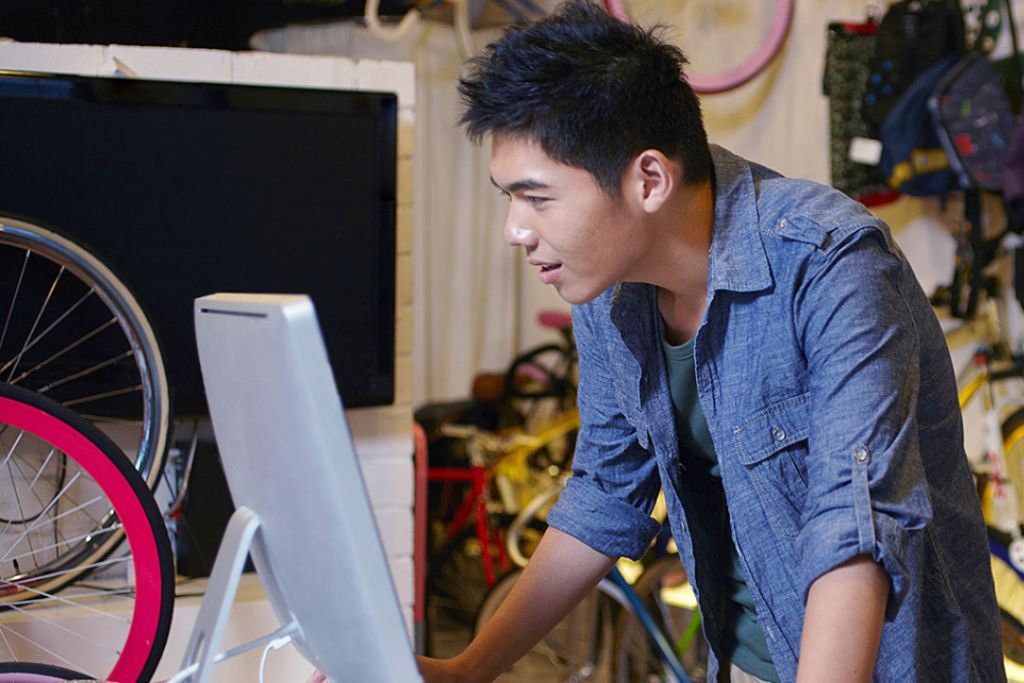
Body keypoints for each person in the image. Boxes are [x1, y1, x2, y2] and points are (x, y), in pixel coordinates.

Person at [415, 2, 1005, 682]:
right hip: (747, 663)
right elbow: (606, 494)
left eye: (537, 198)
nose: (514, 229)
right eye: (506, 198)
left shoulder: (830, 262)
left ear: (650, 180)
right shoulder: (608, 287)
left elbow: (855, 528)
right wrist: (464, 670)